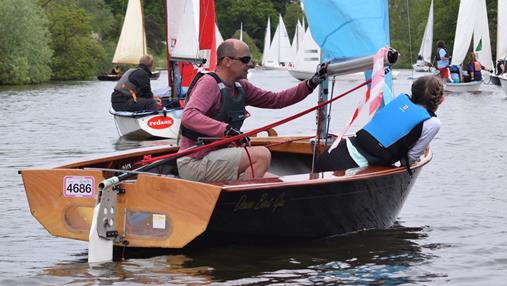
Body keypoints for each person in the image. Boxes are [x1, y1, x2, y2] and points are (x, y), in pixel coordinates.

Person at [176, 39, 327, 183]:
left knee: (274, 181)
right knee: (262, 155)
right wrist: (227, 130)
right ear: (227, 61)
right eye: (245, 59)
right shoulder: (209, 83)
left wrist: (310, 84)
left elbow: (277, 100)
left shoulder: (242, 86)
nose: (250, 64)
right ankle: (239, 202)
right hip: (194, 162)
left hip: (216, 158)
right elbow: (189, 116)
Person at [314, 75, 443, 172]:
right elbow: (408, 160)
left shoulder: (400, 102)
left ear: (413, 92)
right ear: (440, 100)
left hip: (332, 153)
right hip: (351, 166)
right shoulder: (432, 123)